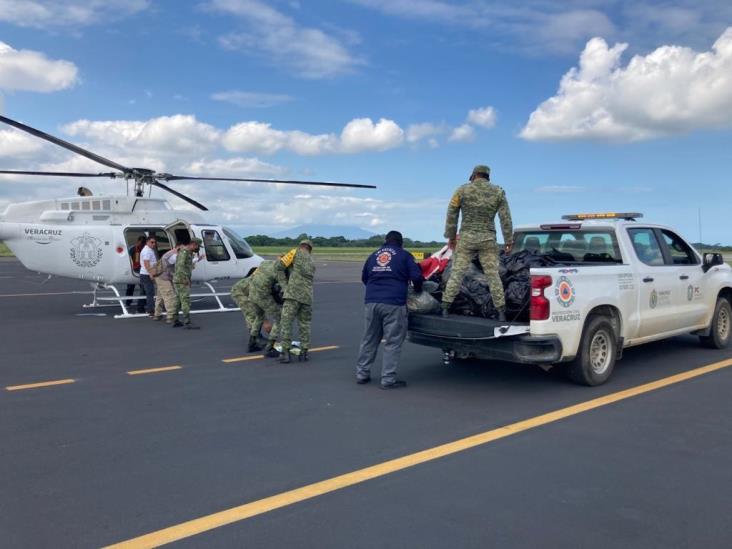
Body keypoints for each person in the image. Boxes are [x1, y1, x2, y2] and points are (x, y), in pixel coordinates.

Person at [441, 164, 513, 322]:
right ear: (488, 177)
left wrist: (451, 237)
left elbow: (452, 213)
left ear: (474, 175)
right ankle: (501, 311)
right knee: (493, 275)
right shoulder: (498, 192)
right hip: (488, 239)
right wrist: (508, 240)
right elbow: (505, 218)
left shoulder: (462, 190)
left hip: (467, 238)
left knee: (457, 273)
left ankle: (445, 306)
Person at [356, 231, 423, 389]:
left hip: (371, 302)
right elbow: (417, 277)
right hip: (394, 302)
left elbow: (364, 278)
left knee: (369, 339)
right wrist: (418, 290)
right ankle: (388, 379)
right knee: (393, 342)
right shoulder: (405, 255)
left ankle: (362, 373)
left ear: (385, 241)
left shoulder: (373, 255)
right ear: (401, 243)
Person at [279, 240, 316, 364]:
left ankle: (285, 353)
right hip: (307, 297)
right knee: (305, 324)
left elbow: (279, 266)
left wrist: (284, 286)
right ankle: (304, 352)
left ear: (301, 246)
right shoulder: (312, 261)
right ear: (310, 249)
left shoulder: (295, 252)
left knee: (286, 322)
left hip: (293, 294)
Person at [249, 258, 289, 355]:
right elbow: (285, 290)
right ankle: (270, 348)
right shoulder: (280, 272)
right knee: (279, 318)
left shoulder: (265, 262)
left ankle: (251, 344)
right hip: (263, 297)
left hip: (252, 294)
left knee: (259, 317)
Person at [172, 238, 203, 329]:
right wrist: (186, 279)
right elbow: (180, 266)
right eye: (197, 246)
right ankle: (187, 322)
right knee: (185, 300)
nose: (198, 248)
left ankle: (175, 320)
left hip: (179, 279)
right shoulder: (185, 252)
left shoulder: (187, 252)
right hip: (182, 280)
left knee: (178, 300)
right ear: (193, 244)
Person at [154, 244, 181, 323]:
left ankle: (157, 314)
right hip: (164, 277)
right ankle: (170, 316)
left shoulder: (170, 253)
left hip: (160, 276)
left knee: (161, 296)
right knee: (169, 295)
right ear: (179, 247)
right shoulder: (174, 255)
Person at [125, 235, 146, 313]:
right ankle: (128, 301)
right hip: (133, 269)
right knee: (130, 287)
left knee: (143, 287)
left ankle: (144, 301)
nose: (141, 245)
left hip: (141, 269)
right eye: (141, 244)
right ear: (138, 242)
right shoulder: (132, 249)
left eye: (143, 244)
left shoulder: (144, 249)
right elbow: (127, 259)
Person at [139, 235, 158, 317]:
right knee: (150, 292)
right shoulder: (147, 251)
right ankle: (151, 311)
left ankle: (140, 308)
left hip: (144, 273)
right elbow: (146, 263)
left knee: (143, 292)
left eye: (154, 242)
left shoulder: (149, 249)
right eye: (152, 242)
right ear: (147, 242)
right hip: (146, 274)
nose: (153, 244)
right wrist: (151, 273)